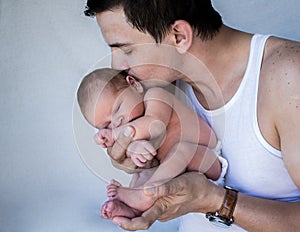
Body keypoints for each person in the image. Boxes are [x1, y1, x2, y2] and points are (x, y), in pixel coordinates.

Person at [84, 0, 300, 231]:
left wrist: (215, 201)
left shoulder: (287, 76)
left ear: (178, 36)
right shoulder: (161, 80)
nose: (116, 65)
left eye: (126, 49)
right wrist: (142, 162)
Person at [77, 68, 227, 220]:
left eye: (118, 108)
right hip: (181, 177)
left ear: (134, 85)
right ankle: (133, 207)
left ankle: (145, 194)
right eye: (106, 125)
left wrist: (113, 134)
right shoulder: (134, 127)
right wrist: (134, 149)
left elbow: (154, 124)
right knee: (143, 171)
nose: (117, 122)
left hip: (207, 160)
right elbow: (142, 151)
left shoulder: (156, 96)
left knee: (182, 150)